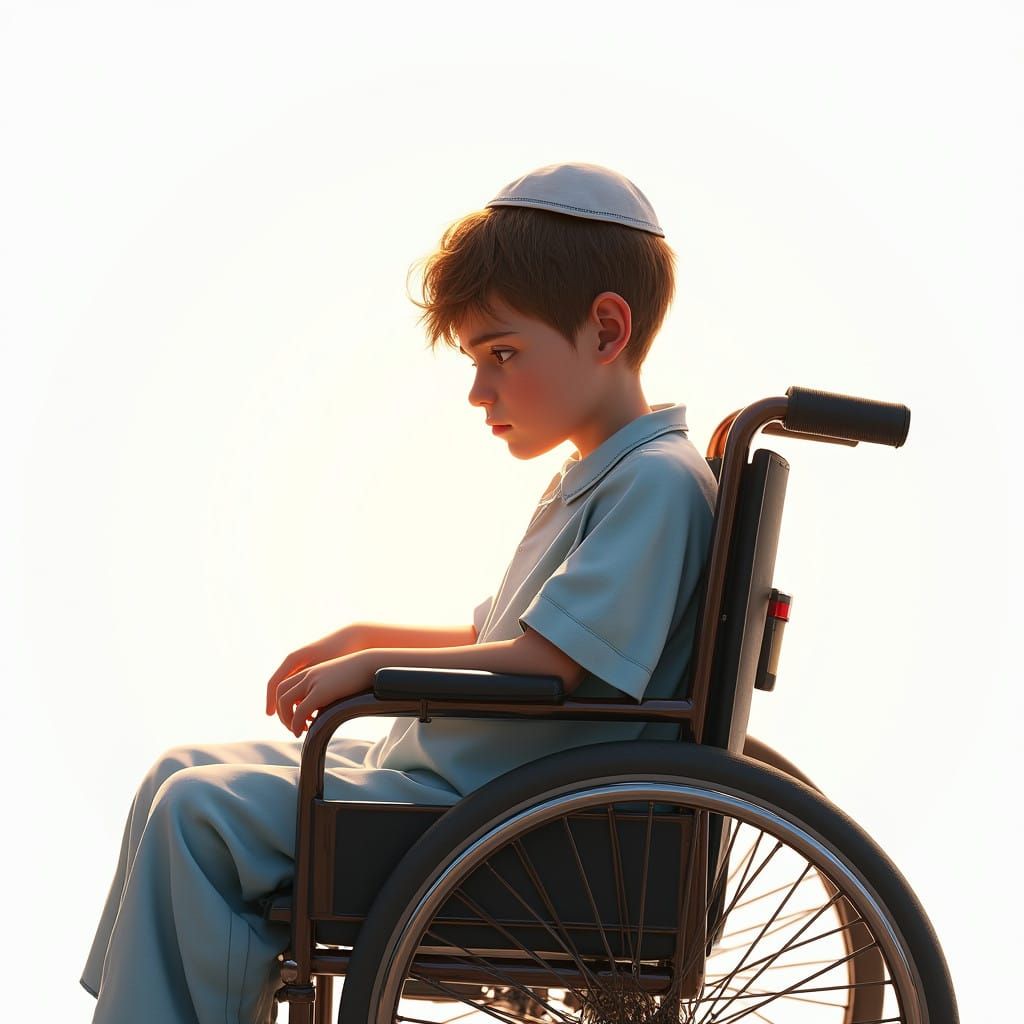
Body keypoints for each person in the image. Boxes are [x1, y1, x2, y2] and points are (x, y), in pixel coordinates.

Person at [81, 161, 719, 1023]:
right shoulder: (607, 475)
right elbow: (510, 638)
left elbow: (553, 668)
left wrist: (376, 669)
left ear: (607, 329)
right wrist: (360, 636)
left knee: (200, 816)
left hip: (498, 817)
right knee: (180, 771)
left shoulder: (656, 483)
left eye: (501, 354)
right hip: (458, 784)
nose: (478, 391)